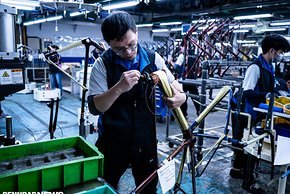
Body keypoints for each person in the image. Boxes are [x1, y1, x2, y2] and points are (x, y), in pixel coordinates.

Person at [87, 11, 186, 193]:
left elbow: (175, 85)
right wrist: (118, 88)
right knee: (105, 186)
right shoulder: (102, 65)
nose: (128, 52)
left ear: (137, 32)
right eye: (119, 49)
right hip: (112, 142)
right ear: (109, 44)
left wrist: (182, 97)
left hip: (145, 140)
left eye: (132, 44)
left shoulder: (153, 58)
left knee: (148, 188)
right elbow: (95, 107)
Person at [229, 34, 290, 193]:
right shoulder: (255, 67)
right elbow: (247, 92)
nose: (281, 55)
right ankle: (247, 182)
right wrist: (266, 95)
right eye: (280, 52)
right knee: (250, 145)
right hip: (247, 111)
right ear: (272, 51)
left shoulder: (269, 66)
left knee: (251, 144)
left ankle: (238, 172)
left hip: (259, 110)